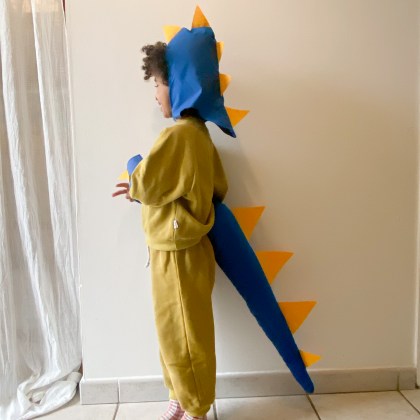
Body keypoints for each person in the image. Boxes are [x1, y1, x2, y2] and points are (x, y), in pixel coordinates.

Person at [112, 41, 228, 420]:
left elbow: (147, 182)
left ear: (179, 86)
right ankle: (180, 397)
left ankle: (195, 408)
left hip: (176, 253)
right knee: (176, 328)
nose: (156, 94)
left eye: (158, 84)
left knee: (182, 334)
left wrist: (135, 176)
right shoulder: (200, 136)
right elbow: (215, 186)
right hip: (184, 249)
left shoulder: (178, 137)